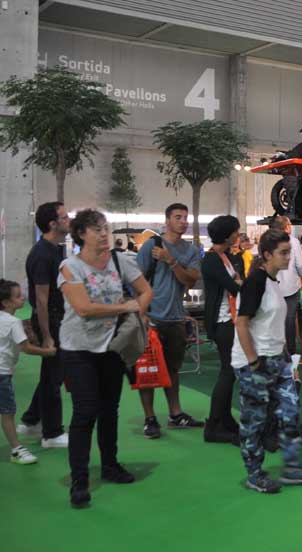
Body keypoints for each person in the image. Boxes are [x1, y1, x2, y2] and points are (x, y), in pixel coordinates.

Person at [59, 209, 153, 508]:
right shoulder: (69, 267)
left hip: (113, 347)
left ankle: (110, 465)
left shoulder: (120, 260)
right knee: (85, 411)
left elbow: (145, 291)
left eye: (105, 228)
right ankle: (79, 479)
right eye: (96, 229)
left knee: (109, 409)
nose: (103, 233)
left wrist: (137, 308)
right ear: (81, 234)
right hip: (78, 348)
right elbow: (84, 308)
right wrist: (126, 308)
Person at [233, 229, 302, 493]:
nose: (288, 257)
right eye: (283, 253)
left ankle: (292, 466)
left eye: (289, 251)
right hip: (254, 362)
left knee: (290, 412)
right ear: (267, 254)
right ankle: (254, 473)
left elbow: (272, 324)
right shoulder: (256, 282)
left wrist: (286, 359)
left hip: (277, 359)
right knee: (255, 420)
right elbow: (241, 323)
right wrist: (252, 361)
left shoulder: (273, 281)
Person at [135, 203, 205, 438]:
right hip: (151, 318)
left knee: (173, 369)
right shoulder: (151, 246)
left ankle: (175, 414)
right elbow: (136, 280)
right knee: (147, 371)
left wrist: (171, 260)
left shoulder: (191, 251)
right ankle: (149, 418)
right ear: (167, 220)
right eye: (178, 217)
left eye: (185, 217)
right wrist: (141, 313)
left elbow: (191, 279)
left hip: (176, 318)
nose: (183, 221)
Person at [17, 202, 71, 449]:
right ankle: (51, 433)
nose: (68, 219)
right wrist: (47, 334)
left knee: (52, 375)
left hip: (58, 317)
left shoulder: (55, 250)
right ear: (53, 224)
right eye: (64, 216)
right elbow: (40, 298)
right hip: (50, 320)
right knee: (53, 378)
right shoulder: (42, 254)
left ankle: (31, 421)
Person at [1, 280, 58, 465]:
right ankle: (17, 450)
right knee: (7, 413)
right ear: (6, 303)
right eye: (18, 296)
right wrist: (47, 352)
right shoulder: (13, 322)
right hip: (2, 374)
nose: (23, 298)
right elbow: (26, 348)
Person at [200, 215, 245, 444]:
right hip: (222, 322)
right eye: (236, 231)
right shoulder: (211, 260)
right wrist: (240, 284)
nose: (239, 235)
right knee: (228, 371)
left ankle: (224, 420)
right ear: (227, 235)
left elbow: (239, 283)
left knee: (231, 371)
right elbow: (234, 286)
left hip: (230, 320)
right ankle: (215, 424)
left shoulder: (225, 257)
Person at [268, 216, 302, 356]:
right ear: (286, 227)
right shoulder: (293, 242)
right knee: (289, 319)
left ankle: (275, 351)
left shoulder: (268, 241)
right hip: (290, 286)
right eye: (289, 224)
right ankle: (290, 352)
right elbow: (301, 264)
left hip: (272, 285)